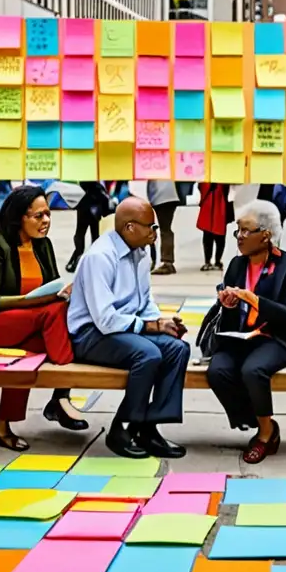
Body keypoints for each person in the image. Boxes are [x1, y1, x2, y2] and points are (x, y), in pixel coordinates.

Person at [0, 185, 86, 452]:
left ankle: (3, 427)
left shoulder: (43, 245)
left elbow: (53, 287)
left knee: (31, 353)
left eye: (48, 214)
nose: (46, 221)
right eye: (38, 216)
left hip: (31, 324)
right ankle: (63, 387)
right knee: (53, 313)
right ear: (18, 217)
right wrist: (35, 301)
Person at [67, 196, 191, 458]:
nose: (155, 233)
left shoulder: (140, 254)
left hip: (122, 330)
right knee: (147, 354)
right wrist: (151, 326)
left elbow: (144, 302)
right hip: (90, 335)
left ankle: (147, 427)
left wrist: (162, 323)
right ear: (129, 228)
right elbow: (105, 320)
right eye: (150, 226)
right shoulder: (100, 257)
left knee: (177, 348)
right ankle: (120, 430)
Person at [207, 201, 286, 464]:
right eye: (238, 231)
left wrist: (253, 299)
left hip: (279, 336)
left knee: (253, 370)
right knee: (217, 371)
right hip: (242, 335)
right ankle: (255, 419)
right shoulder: (236, 264)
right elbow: (231, 314)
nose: (240, 237)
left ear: (265, 235)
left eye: (246, 231)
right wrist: (228, 303)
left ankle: (266, 434)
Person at [65, 181, 114, 273]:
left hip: (84, 212)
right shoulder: (98, 188)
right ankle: (92, 262)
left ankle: (77, 260)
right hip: (94, 214)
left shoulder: (81, 186)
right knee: (94, 237)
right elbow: (105, 205)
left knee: (80, 236)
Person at [146, 180, 181, 275]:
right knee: (166, 229)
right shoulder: (165, 167)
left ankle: (167, 263)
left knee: (165, 230)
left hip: (162, 198)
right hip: (170, 197)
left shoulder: (153, 167)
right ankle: (168, 262)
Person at [196, 182, 232, 271]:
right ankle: (211, 261)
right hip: (213, 207)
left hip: (219, 207)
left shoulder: (222, 180)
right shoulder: (207, 179)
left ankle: (215, 261)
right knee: (210, 237)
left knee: (217, 237)